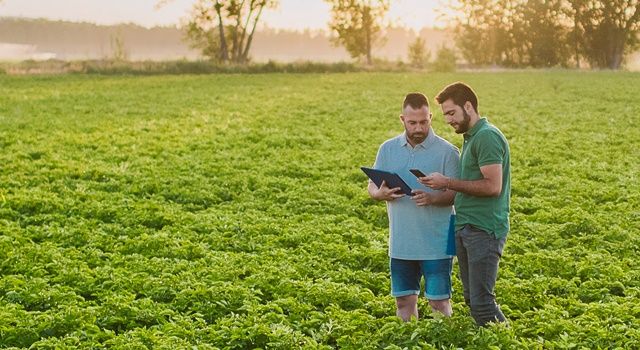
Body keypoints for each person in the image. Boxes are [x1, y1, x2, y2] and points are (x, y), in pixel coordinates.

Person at [420, 82, 511, 326]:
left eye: (451, 113)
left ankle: (506, 341)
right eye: (445, 115)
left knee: (482, 303)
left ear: (468, 106)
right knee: (473, 299)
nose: (448, 120)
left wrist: (447, 182)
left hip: (484, 228)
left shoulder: (487, 137)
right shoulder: (471, 137)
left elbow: (493, 186)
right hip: (466, 226)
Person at [367, 92, 460, 321]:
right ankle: (408, 341)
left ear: (431, 117)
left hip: (439, 240)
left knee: (439, 301)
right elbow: (372, 185)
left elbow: (459, 194)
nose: (418, 128)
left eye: (423, 122)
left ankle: (444, 343)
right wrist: (380, 194)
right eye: (412, 123)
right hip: (401, 240)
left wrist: (432, 198)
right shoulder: (387, 149)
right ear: (402, 120)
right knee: (403, 300)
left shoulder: (448, 151)